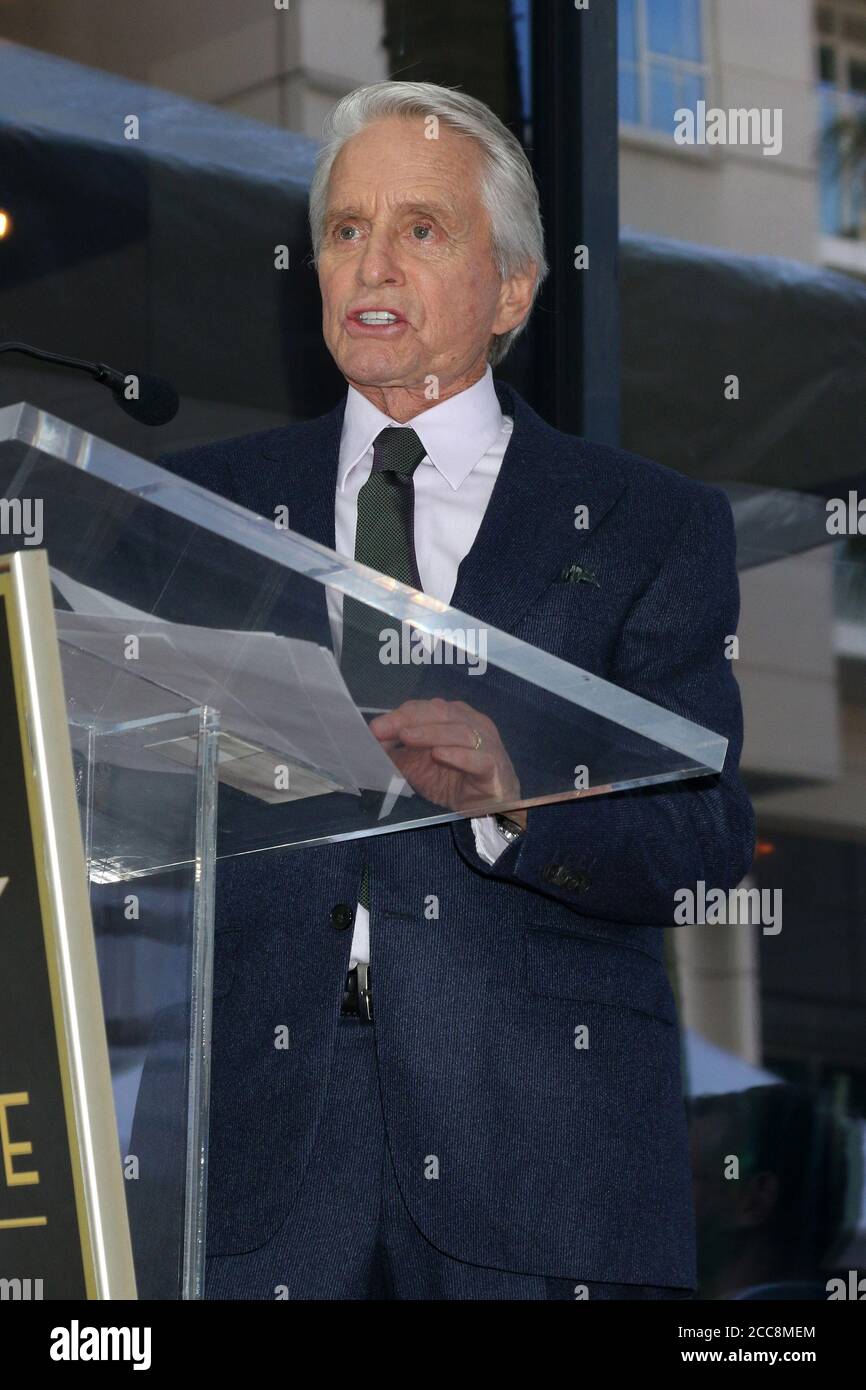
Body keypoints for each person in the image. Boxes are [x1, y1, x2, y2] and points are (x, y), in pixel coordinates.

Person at [159, 80, 755, 1300]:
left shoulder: (650, 524)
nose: (369, 260)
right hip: (254, 1163)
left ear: (513, 290)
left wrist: (521, 793)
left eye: (419, 229)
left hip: (547, 1159)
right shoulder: (196, 512)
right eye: (343, 229)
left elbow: (703, 839)